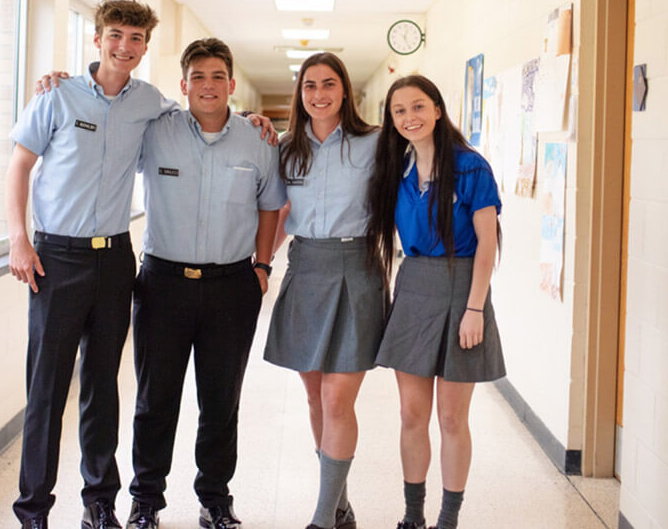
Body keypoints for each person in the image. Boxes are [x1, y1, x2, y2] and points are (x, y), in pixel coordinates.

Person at [6, 0, 172, 529]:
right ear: (97, 39)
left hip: (115, 260)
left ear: (146, 45)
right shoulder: (57, 96)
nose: (125, 46)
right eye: (116, 35)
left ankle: (99, 501)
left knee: (103, 385)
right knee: (47, 390)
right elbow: (20, 166)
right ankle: (33, 509)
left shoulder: (151, 102)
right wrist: (18, 238)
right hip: (55, 257)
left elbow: (201, 124)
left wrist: (256, 122)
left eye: (136, 38)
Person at [123, 38, 284, 529]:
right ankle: (145, 501)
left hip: (231, 287)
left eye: (217, 77)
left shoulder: (258, 139)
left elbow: (270, 206)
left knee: (220, 400)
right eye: (198, 77)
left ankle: (215, 499)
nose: (208, 86)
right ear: (183, 84)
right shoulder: (155, 131)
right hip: (162, 283)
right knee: (155, 400)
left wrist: (261, 267)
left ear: (232, 84)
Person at [366, 75, 505, 529]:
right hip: (415, 287)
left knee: (450, 416)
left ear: (439, 110)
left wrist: (474, 309)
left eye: (419, 106)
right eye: (400, 110)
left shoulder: (470, 167)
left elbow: (487, 245)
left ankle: (448, 519)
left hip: (462, 287)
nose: (410, 117)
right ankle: (412, 516)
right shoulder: (397, 168)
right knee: (411, 413)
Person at [262, 52, 386, 529]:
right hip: (306, 271)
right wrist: (262, 266)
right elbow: (277, 215)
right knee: (315, 399)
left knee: (338, 400)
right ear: (300, 93)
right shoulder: (285, 147)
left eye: (328, 84)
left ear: (345, 89)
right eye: (309, 85)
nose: (319, 94)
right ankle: (340, 505)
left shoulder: (375, 143)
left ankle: (321, 517)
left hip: (357, 270)